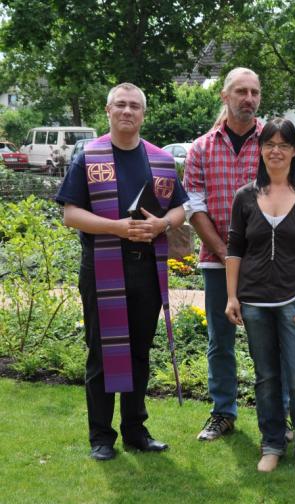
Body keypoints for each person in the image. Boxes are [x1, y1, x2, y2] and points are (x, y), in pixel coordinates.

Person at [56, 83, 188, 461]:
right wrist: (117, 228)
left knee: (139, 353)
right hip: (101, 268)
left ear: (143, 114)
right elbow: (70, 214)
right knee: (101, 353)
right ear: (108, 110)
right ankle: (101, 436)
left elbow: (181, 208)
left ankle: (135, 431)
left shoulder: (161, 160)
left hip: (146, 269)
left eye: (134, 106)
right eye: (120, 105)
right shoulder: (89, 156)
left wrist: (162, 224)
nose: (127, 111)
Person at [225, 118, 295, 474]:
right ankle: (271, 443)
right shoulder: (245, 196)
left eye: (284, 145)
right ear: (260, 149)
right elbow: (234, 249)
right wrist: (232, 297)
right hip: (254, 302)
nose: (276, 151)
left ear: (294, 151)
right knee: (267, 378)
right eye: (269, 144)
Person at [183, 67, 264, 441]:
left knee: (270, 342)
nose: (249, 99)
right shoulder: (201, 148)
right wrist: (225, 251)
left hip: (267, 264)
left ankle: (275, 415)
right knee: (220, 342)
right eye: (241, 91)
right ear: (225, 96)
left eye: (254, 92)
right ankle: (222, 413)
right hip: (216, 262)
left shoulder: (273, 141)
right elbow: (193, 205)